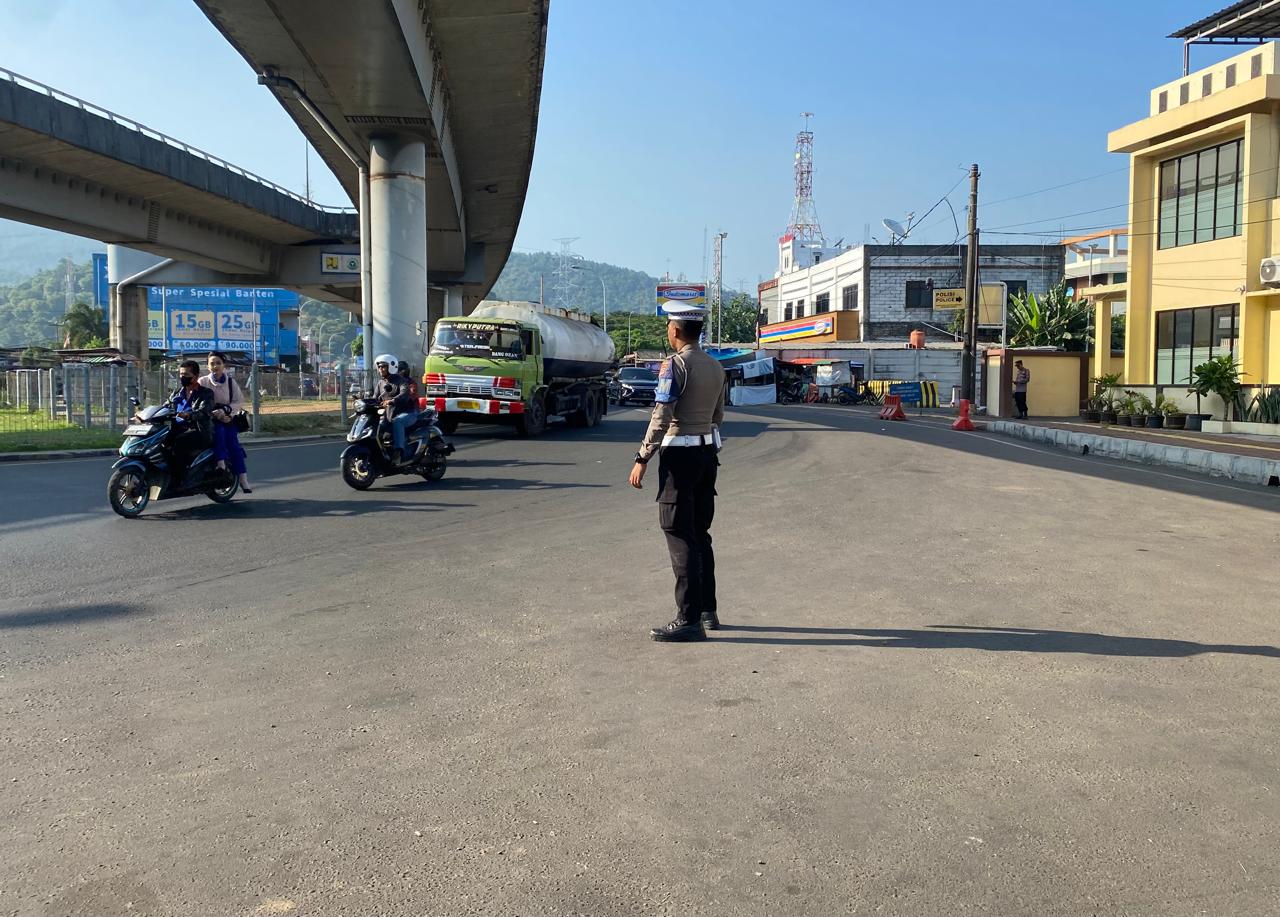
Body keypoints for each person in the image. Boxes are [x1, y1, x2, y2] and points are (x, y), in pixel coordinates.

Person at [629, 302, 726, 643]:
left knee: (678, 532)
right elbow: (718, 415)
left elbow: (662, 415)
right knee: (700, 533)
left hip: (680, 457)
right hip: (706, 455)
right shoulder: (716, 367)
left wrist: (643, 456)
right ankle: (707, 610)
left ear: (674, 331)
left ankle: (688, 619)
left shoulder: (675, 365)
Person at [200, 351, 252, 493]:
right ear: (207, 366)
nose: (215, 366)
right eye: (212, 363)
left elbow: (238, 401)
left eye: (218, 363)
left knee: (234, 446)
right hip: (209, 420)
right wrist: (214, 413)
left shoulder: (230, 382)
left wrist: (227, 412)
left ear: (224, 366)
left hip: (227, 418)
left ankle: (243, 479)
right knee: (219, 433)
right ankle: (221, 465)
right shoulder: (203, 382)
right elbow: (198, 402)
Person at [166, 359, 214, 477]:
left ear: (196, 376)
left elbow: (204, 412)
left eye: (186, 375)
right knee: (160, 441)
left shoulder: (206, 393)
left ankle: (180, 477)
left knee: (179, 441)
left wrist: (189, 415)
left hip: (198, 430)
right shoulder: (177, 392)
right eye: (181, 374)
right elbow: (166, 406)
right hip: (177, 428)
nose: (183, 377)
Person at [372, 353, 417, 463]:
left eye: (383, 366)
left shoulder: (401, 381)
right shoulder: (380, 383)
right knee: (377, 427)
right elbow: (375, 398)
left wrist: (392, 400)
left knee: (398, 421)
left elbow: (404, 394)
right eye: (379, 366)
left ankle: (398, 452)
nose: (380, 369)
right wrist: (362, 401)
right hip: (388, 415)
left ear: (391, 367)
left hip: (408, 413)